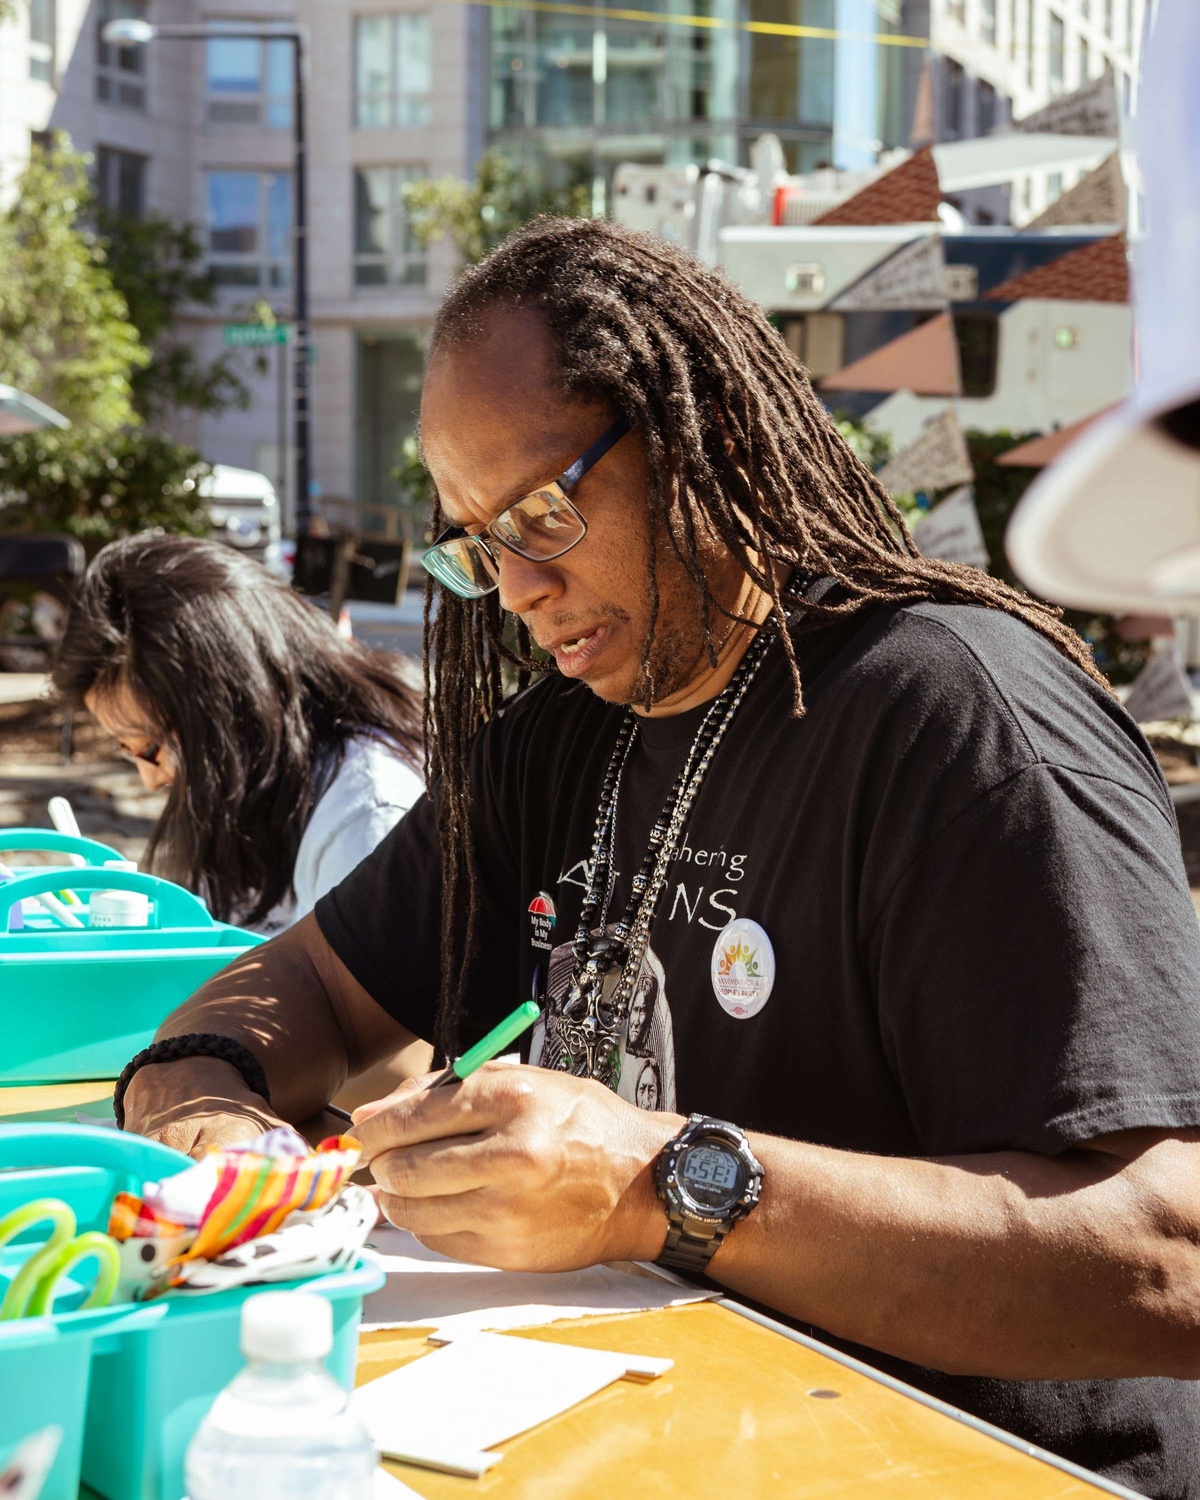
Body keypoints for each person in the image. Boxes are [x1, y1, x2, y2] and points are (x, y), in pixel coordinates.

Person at [120, 221, 1200, 1499]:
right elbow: (292, 990)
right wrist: (207, 1119)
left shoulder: (959, 718)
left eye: (540, 513)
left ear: (708, 441)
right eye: (475, 543)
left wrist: (661, 1185)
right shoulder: (558, 740)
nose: (512, 588)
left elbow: (1164, 1261)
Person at [54, 534, 424, 938]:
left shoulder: (365, 818)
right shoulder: (261, 787)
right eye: (127, 750)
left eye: (149, 748)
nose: (151, 779)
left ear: (228, 710)